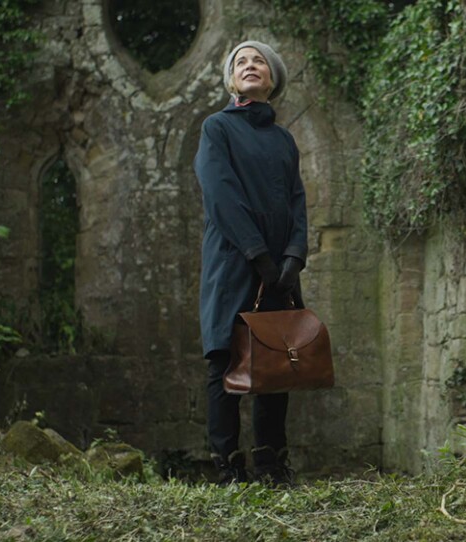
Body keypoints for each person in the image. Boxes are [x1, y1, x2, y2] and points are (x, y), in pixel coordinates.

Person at [194, 40, 308, 485]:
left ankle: (271, 463)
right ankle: (226, 467)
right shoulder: (216, 128)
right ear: (231, 79)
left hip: (280, 267)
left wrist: (294, 256)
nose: (249, 65)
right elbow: (220, 194)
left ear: (272, 77)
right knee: (223, 360)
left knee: (276, 361)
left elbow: (298, 201)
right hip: (232, 262)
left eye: (258, 60)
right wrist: (256, 254)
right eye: (241, 61)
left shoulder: (284, 140)